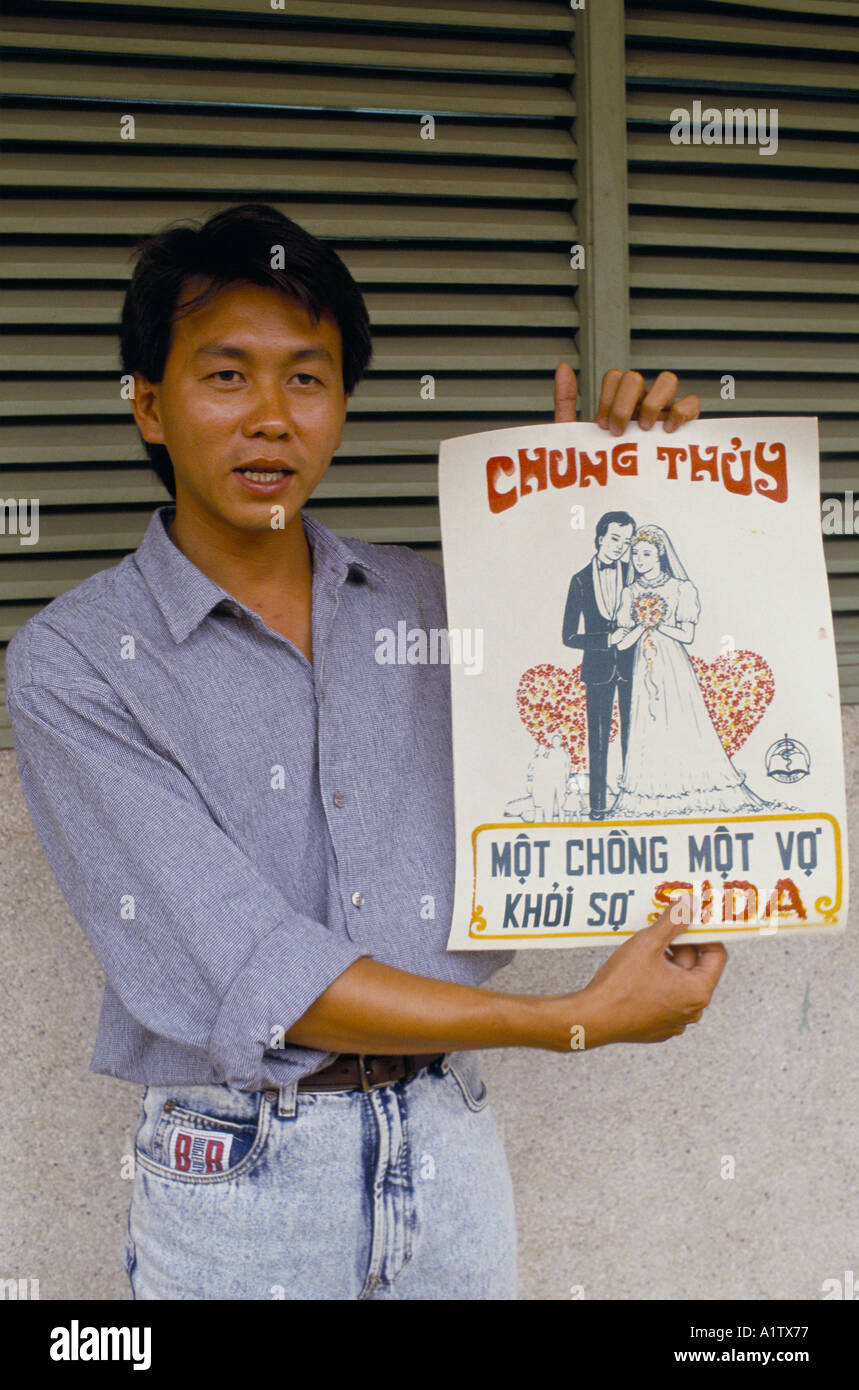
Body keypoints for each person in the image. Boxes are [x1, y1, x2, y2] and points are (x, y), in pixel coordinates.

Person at [4, 202, 725, 1302]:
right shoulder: (76, 662)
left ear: (341, 406)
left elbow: (605, 756)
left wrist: (622, 487)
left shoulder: (439, 606)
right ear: (149, 405)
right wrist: (568, 1022)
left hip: (450, 1145)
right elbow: (258, 970)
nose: (271, 419)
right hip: (238, 1177)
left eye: (306, 378)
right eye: (226, 375)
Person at [609, 525, 771, 818]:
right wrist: (639, 626)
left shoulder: (681, 588)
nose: (639, 560)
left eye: (646, 553)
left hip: (672, 664)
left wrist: (658, 623)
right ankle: (651, 791)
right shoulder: (629, 591)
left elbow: (687, 635)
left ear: (660, 554)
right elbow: (622, 642)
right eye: (635, 554)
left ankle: (695, 786)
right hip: (643, 665)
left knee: (680, 719)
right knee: (648, 723)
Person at [561, 510, 636, 818]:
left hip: (634, 666)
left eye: (627, 541)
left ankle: (633, 801)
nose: (620, 546)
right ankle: (598, 808)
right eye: (615, 538)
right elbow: (568, 636)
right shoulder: (579, 580)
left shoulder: (635, 572)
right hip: (597, 670)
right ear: (601, 537)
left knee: (635, 739)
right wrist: (606, 640)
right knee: (599, 741)